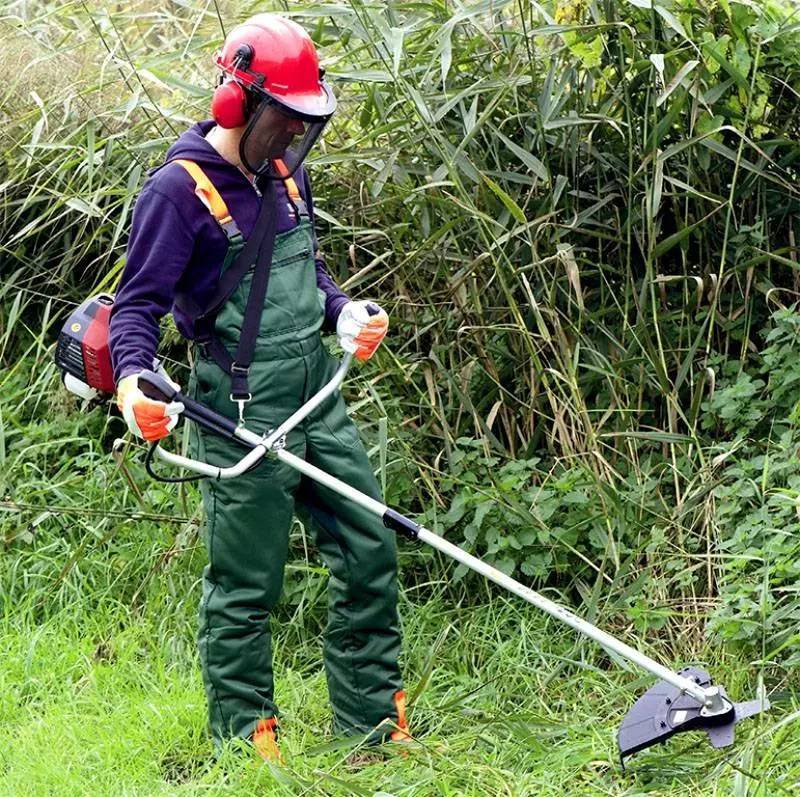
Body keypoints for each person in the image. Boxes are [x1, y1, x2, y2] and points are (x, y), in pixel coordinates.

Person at [108, 13, 409, 761]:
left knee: (370, 547)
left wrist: (343, 312)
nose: (294, 139)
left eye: (306, 123)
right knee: (246, 587)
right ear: (238, 103)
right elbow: (136, 309)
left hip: (317, 397)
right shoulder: (177, 194)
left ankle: (374, 726)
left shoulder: (283, 172)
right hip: (241, 410)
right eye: (284, 120)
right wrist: (134, 385)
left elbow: (304, 268)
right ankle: (249, 743)